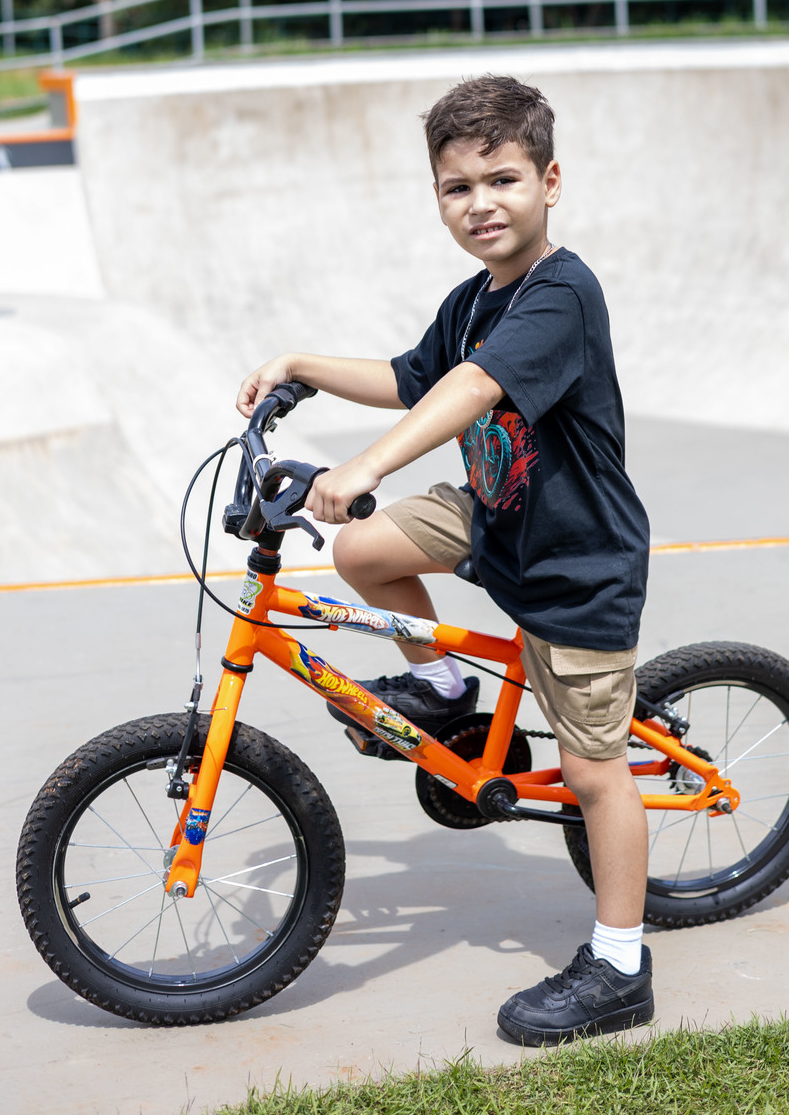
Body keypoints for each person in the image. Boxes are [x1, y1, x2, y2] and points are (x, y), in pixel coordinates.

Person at [236, 74, 653, 1045]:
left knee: (594, 773)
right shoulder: (473, 299)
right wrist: (299, 365)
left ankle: (622, 966)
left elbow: (469, 391)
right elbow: (410, 377)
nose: (481, 204)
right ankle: (448, 693)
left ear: (551, 183)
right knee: (362, 547)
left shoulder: (561, 294)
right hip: (494, 518)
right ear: (437, 198)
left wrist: (366, 466)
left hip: (575, 560)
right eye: (458, 188)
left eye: (503, 180)